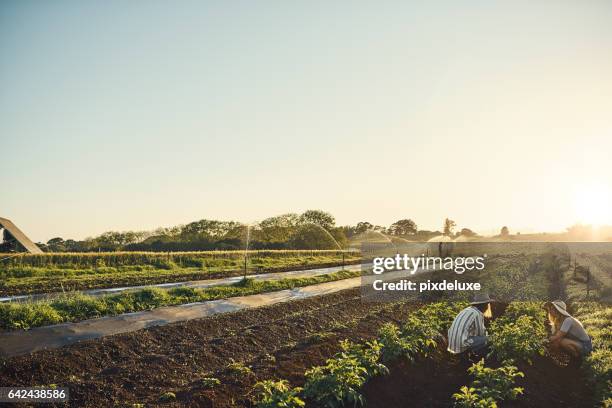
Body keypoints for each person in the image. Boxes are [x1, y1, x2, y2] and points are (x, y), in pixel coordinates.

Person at [544, 300, 592, 365]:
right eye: (550, 308)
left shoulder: (567, 320)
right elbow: (554, 338)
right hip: (576, 342)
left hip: (585, 345)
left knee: (561, 341)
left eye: (552, 309)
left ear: (558, 311)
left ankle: (577, 360)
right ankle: (555, 361)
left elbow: (557, 337)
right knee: (557, 342)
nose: (549, 311)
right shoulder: (558, 322)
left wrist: (544, 341)